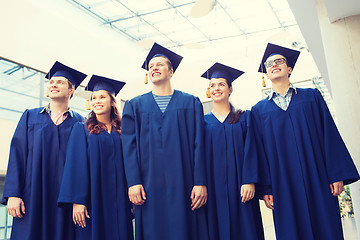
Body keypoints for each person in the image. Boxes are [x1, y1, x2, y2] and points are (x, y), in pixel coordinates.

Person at [251, 43, 360, 240]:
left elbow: (329, 134)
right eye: (269, 64)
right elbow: (259, 152)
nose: (274, 65)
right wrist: (267, 188)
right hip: (283, 182)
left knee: (326, 226)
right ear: (266, 74)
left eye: (279, 61)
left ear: (289, 69)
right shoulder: (259, 111)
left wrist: (336, 174)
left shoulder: (312, 97)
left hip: (317, 176)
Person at [121, 43, 209, 240]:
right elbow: (129, 147)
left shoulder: (190, 103)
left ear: (170, 71)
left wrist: (200, 181)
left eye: (159, 64)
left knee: (184, 229)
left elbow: (199, 144)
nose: (154, 68)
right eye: (151, 66)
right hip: (148, 185)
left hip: (184, 182)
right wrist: (133, 182)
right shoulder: (135, 106)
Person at [2, 61, 87, 240]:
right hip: (31, 194)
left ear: (71, 90)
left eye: (60, 82)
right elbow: (17, 155)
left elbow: (84, 166)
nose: (53, 85)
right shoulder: (29, 116)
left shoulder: (81, 123)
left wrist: (80, 199)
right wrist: (13, 194)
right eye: (51, 82)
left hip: (65, 199)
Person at [58, 75, 133, 240]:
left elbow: (131, 163)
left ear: (112, 101)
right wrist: (78, 201)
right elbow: (75, 166)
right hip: (93, 198)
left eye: (102, 97)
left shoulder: (123, 130)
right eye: (94, 98)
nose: (97, 101)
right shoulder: (82, 129)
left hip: (120, 198)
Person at [202, 63, 269, 240]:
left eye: (221, 84)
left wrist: (250, 181)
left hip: (242, 187)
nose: (216, 88)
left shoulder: (244, 118)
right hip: (213, 189)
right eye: (212, 85)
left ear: (230, 89)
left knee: (246, 229)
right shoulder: (202, 123)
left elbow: (253, 150)